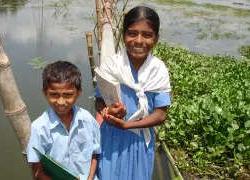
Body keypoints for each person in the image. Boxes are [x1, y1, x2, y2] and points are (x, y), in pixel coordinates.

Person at [95, 6, 171, 180]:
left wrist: (128, 125)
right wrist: (107, 112)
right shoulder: (111, 66)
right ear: (123, 35)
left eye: (147, 35)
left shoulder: (158, 70)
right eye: (132, 33)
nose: (138, 41)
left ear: (156, 39)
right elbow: (99, 101)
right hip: (110, 137)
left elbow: (160, 115)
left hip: (139, 141)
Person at [26, 61, 101, 180]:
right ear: (45, 93)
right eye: (54, 94)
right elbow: (37, 170)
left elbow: (95, 154)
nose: (61, 102)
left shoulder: (88, 120)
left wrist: (90, 177)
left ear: (78, 93)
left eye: (67, 95)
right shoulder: (39, 127)